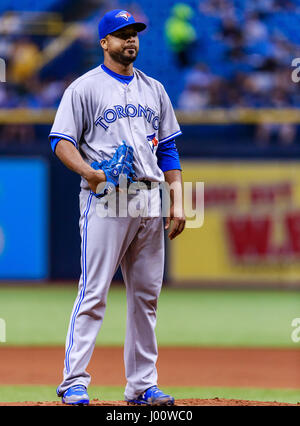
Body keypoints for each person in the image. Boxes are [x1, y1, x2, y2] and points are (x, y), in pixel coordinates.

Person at [49, 9, 185, 406]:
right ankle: (73, 381)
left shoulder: (154, 89)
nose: (131, 40)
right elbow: (61, 141)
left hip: (149, 194)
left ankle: (142, 385)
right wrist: (90, 173)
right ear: (104, 42)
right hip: (107, 194)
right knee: (94, 291)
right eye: (121, 34)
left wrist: (177, 199)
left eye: (135, 34)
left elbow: (170, 149)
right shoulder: (84, 88)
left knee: (146, 296)